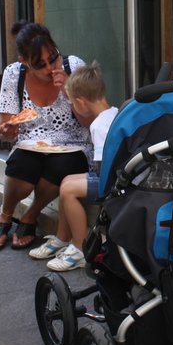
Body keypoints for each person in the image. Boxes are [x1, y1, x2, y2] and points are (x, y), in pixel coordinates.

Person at [0, 21, 92, 251]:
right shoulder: (14, 74)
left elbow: (90, 121)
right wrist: (7, 132)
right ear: (24, 62)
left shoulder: (74, 67)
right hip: (30, 143)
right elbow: (4, 129)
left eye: (53, 58)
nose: (49, 68)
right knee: (21, 166)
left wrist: (69, 91)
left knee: (64, 165)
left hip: (73, 143)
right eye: (40, 64)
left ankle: (31, 215)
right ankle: (5, 214)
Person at [41, 61, 118, 272]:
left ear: (81, 103)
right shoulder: (114, 112)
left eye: (73, 104)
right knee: (67, 181)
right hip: (119, 177)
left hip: (113, 184)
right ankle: (63, 238)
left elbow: (104, 168)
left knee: (69, 189)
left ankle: (80, 248)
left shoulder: (98, 125)